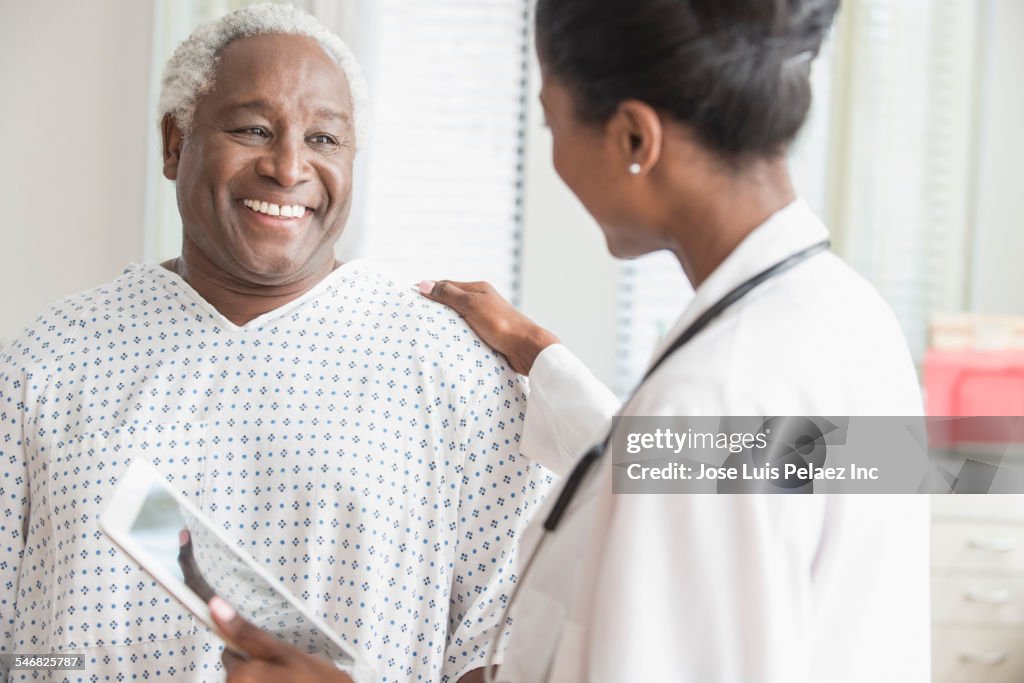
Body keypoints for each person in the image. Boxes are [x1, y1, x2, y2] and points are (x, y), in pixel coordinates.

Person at [213, 0, 931, 681]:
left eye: (550, 122)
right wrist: (541, 357)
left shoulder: (712, 390)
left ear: (633, 140)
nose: (553, 157)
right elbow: (739, 475)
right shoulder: (851, 321)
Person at [0, 5, 553, 683]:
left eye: (325, 139)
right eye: (254, 129)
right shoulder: (50, 362)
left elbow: (512, 643)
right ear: (176, 143)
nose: (289, 166)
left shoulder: (452, 366)